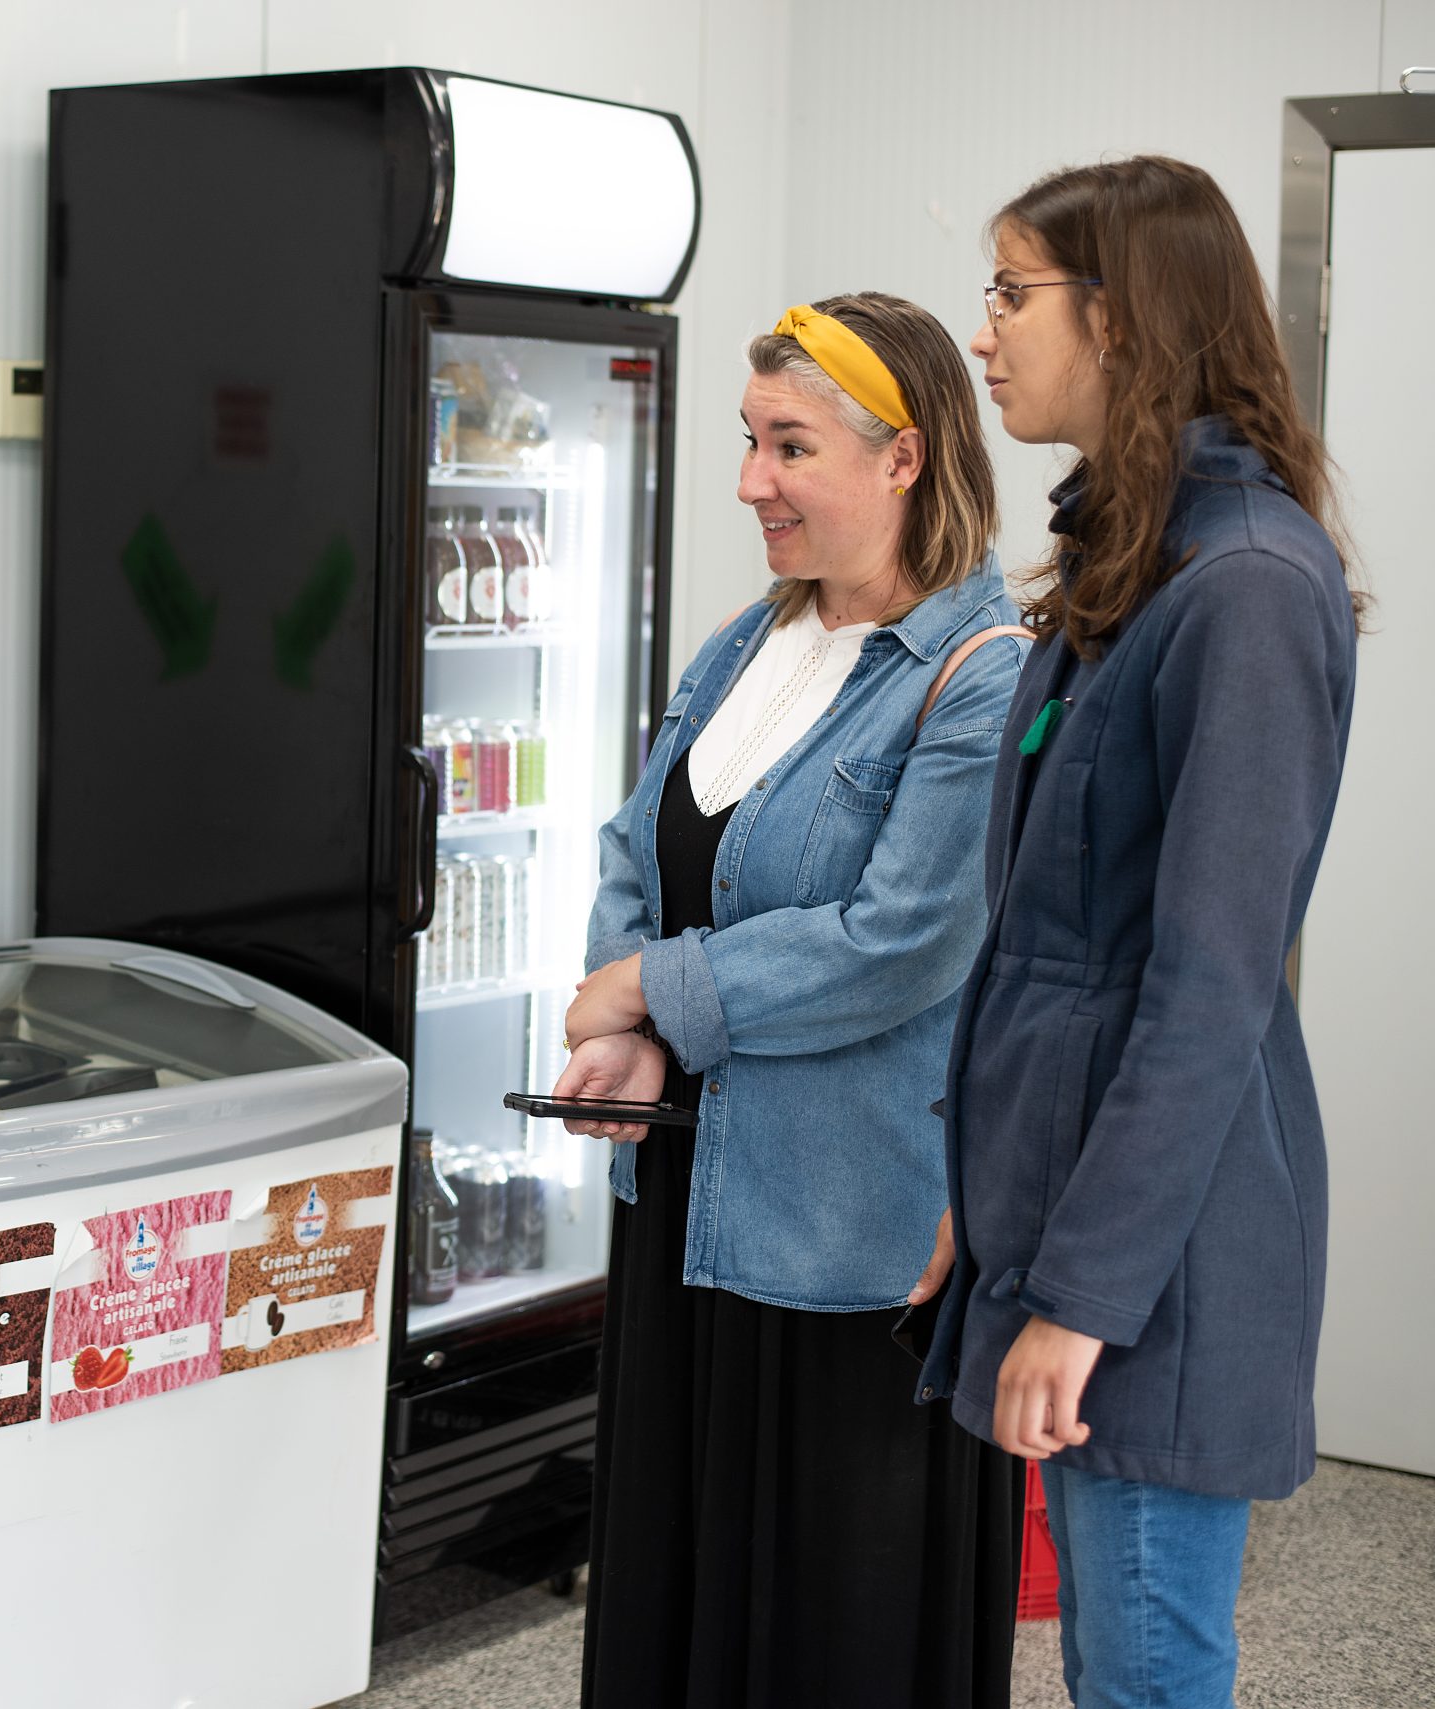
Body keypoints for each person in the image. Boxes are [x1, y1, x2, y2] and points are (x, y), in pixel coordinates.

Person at [913, 156, 1361, 1709]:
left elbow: (1204, 991)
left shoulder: (1243, 586)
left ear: (1122, 319)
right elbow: (1045, 947)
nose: (986, 331)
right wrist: (988, 1203)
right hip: (1083, 1209)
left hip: (1161, 1248)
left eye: (1012, 293)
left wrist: (1083, 1297)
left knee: (1151, 1665)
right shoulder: (1133, 561)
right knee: (1117, 1657)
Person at [555, 294, 1029, 1708]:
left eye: (790, 446)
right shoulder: (738, 647)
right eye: (749, 442)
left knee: (827, 1629)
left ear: (907, 458)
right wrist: (631, 1035)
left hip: (845, 1239)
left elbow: (899, 941)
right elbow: (634, 844)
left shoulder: (978, 679)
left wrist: (651, 984)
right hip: (685, 1208)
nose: (752, 480)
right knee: (682, 1595)